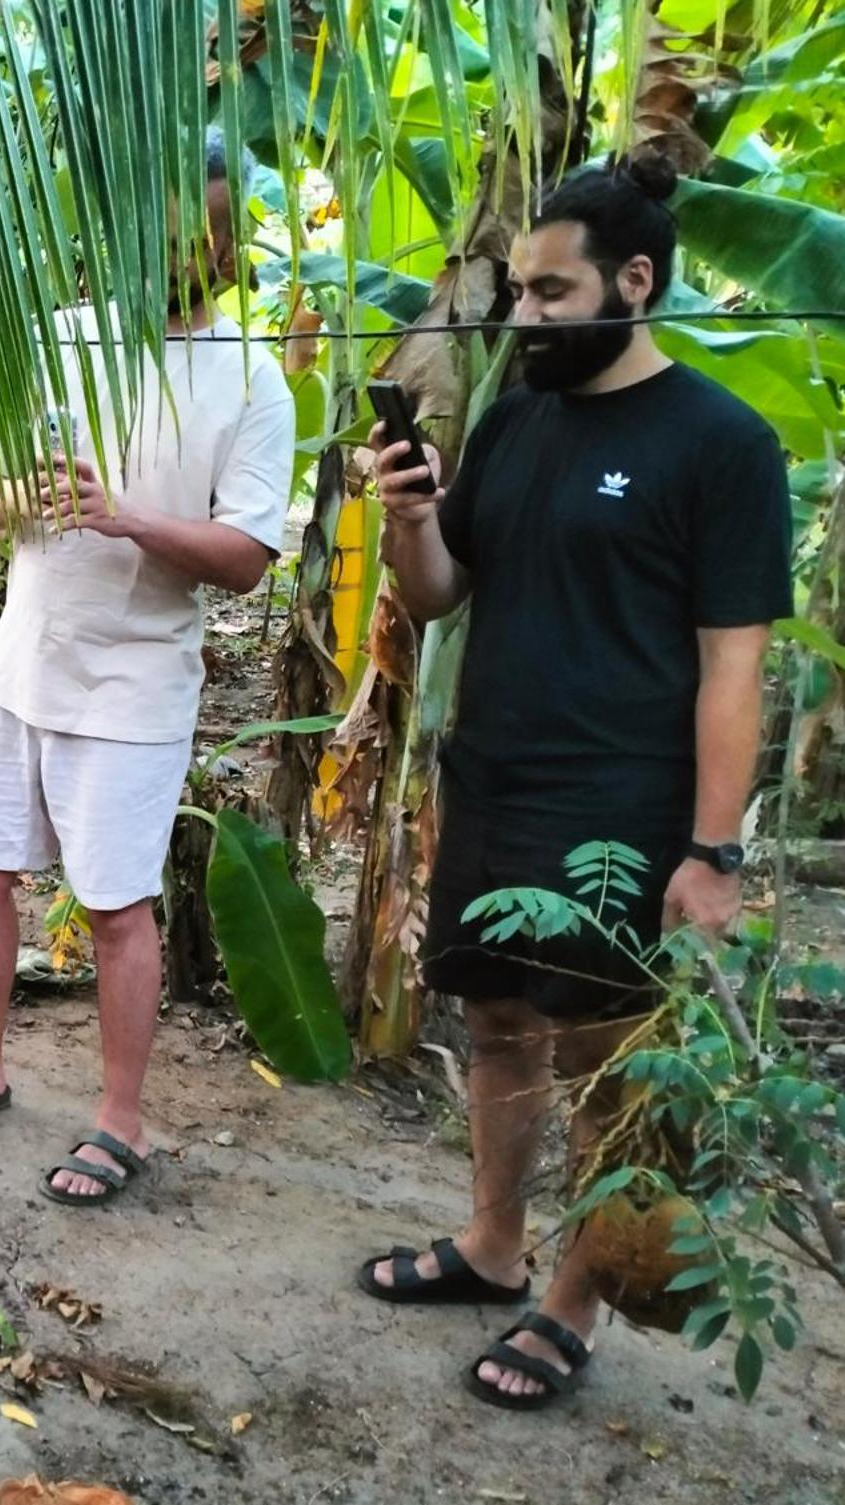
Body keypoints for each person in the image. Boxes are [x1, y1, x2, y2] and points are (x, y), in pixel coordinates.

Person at [358, 157, 792, 1409]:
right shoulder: (513, 418)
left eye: (551, 294)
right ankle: (494, 1247)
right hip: (491, 777)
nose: (524, 317)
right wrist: (404, 517)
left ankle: (572, 1301)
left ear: (634, 281)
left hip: (620, 808)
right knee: (495, 1025)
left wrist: (710, 853)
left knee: (604, 1063)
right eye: (517, 292)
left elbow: (731, 672)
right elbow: (442, 593)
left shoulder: (719, 443)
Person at [0, 129, 296, 1206]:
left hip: (133, 686)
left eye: (193, 229)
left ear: (226, 234)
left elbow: (245, 558)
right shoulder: (61, 342)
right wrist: (23, 496)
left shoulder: (251, 378)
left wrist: (123, 519)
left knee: (114, 907)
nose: (169, 249)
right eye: (150, 226)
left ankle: (120, 1121)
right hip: (22, 662)